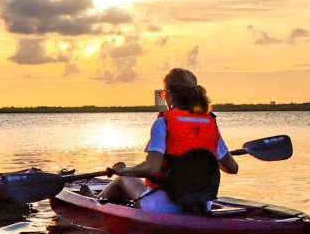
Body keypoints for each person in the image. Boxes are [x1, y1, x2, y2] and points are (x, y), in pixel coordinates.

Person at [96, 68, 238, 213]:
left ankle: (95, 205)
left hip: (163, 207)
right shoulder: (209, 124)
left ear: (169, 95)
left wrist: (123, 170)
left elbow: (151, 169)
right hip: (202, 206)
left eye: (163, 94)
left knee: (123, 179)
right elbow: (232, 168)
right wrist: (210, 157)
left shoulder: (164, 123)